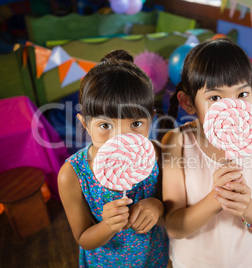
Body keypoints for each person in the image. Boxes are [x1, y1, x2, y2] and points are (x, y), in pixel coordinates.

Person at [161, 38, 252, 267]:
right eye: (215, 98)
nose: (232, 108)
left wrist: (249, 209)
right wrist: (217, 198)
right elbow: (174, 227)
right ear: (188, 103)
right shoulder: (177, 143)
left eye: (242, 94)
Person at [58, 50, 169, 268]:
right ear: (85, 123)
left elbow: (171, 205)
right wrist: (108, 225)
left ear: (151, 119)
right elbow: (83, 238)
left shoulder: (156, 155)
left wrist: (158, 206)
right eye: (105, 125)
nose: (121, 138)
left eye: (136, 124)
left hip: (153, 258)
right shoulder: (72, 174)